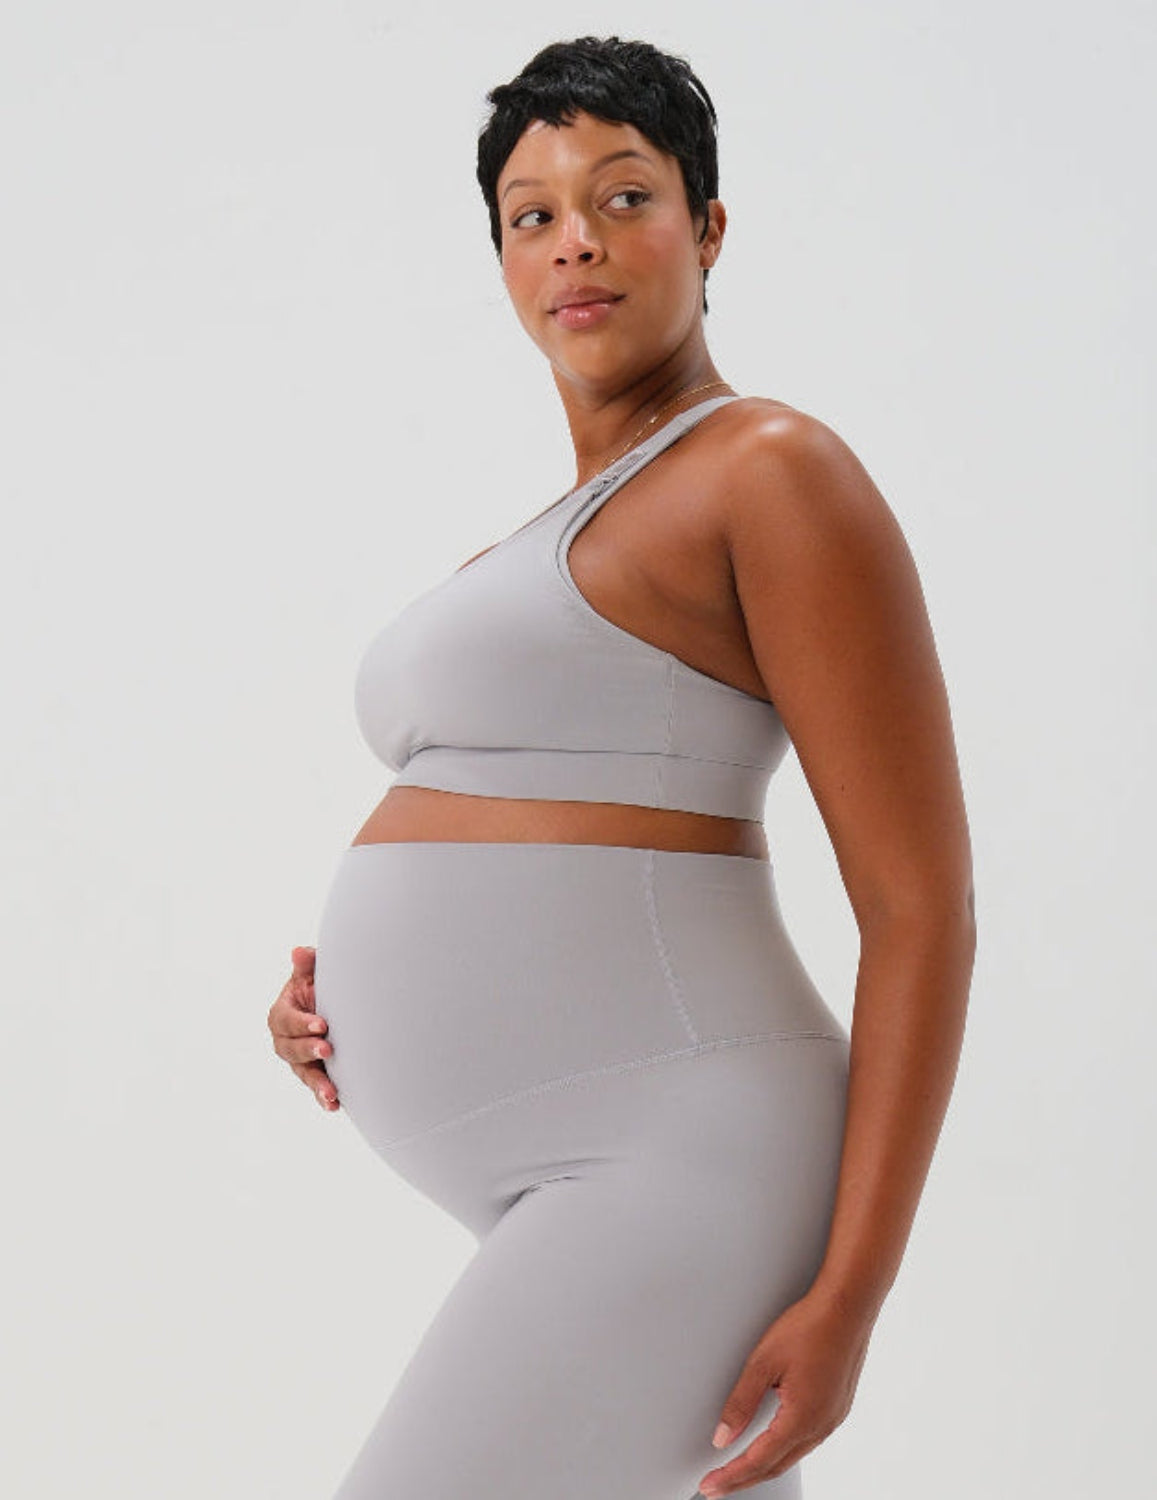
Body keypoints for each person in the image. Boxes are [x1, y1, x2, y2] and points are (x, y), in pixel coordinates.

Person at [266, 34, 975, 1500]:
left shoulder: (770, 470)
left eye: (625, 197)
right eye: (532, 216)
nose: (576, 243)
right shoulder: (550, 529)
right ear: (504, 262)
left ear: (709, 229)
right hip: (589, 1168)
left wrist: (853, 1297)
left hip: (684, 1157)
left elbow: (921, 907)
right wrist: (344, 986)